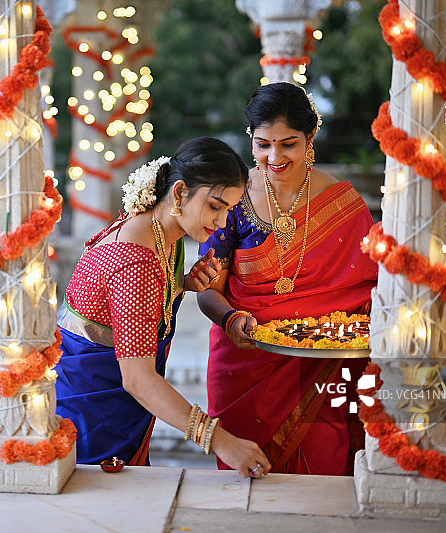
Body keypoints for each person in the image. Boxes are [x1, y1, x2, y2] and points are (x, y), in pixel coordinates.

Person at [55, 137, 271, 478]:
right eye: (216, 205)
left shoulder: (157, 231)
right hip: (93, 416)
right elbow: (138, 380)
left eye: (229, 208)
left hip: (109, 407)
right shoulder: (136, 264)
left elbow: (122, 312)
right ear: (180, 192)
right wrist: (219, 440)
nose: (221, 221)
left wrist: (179, 284)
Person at [196, 82, 378, 476]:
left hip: (322, 365)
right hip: (244, 363)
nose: (273, 157)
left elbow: (370, 288)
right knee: (245, 486)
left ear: (311, 137)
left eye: (288, 144)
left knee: (322, 470)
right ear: (251, 139)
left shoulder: (343, 204)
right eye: (263, 144)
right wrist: (231, 319)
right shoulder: (233, 197)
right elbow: (208, 292)